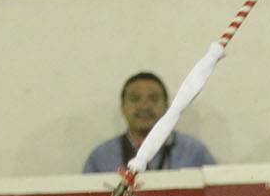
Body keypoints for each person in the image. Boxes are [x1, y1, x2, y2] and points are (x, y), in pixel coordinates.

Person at [83, 72, 216, 173]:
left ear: (166, 107)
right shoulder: (100, 157)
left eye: (153, 99)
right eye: (135, 99)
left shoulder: (194, 152)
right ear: (122, 108)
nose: (144, 106)